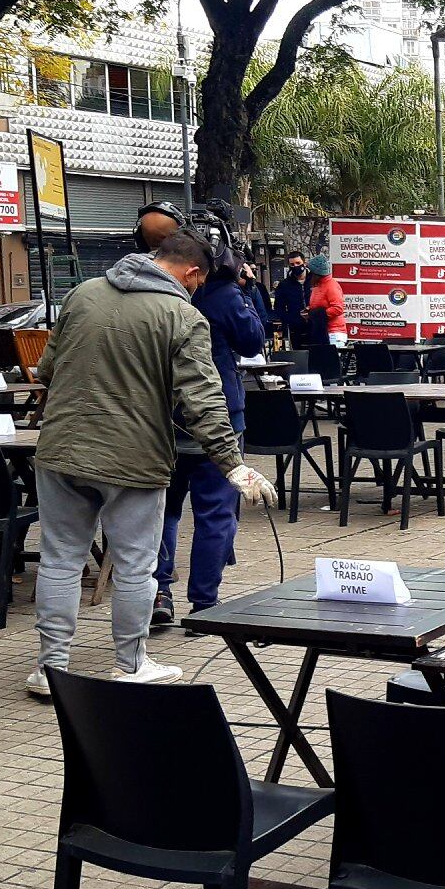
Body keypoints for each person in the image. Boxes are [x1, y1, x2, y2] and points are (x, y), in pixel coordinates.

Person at [29, 232, 277, 696]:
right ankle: (132, 663)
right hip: (132, 458)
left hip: (61, 449)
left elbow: (46, 369)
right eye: (198, 283)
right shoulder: (182, 315)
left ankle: (50, 669)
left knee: (60, 561)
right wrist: (232, 464)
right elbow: (203, 400)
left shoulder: (83, 293)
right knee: (135, 567)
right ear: (193, 273)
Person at [152, 235, 271, 631]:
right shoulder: (223, 295)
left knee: (163, 511)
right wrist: (249, 290)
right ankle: (205, 604)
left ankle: (158, 592)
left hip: (163, 419)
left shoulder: (149, 295)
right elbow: (254, 340)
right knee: (216, 514)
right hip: (219, 418)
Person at [272, 252, 312, 347]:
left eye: (298, 263)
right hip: (296, 329)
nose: (295, 266)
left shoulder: (314, 281)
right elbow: (279, 307)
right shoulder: (284, 285)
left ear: (304, 263)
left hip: (316, 326)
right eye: (292, 264)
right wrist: (290, 320)